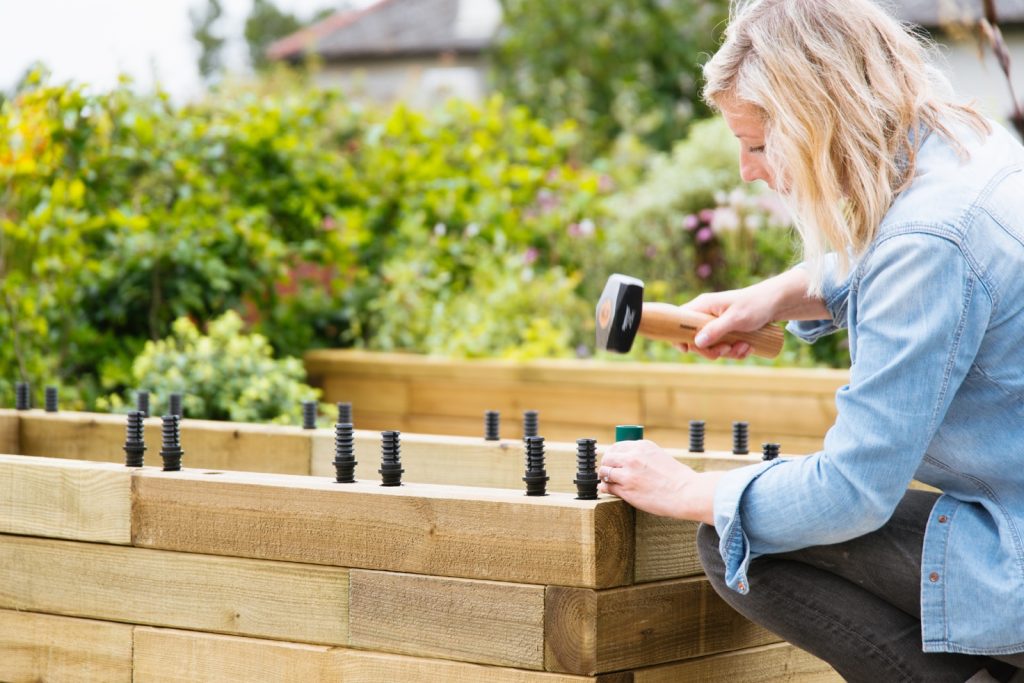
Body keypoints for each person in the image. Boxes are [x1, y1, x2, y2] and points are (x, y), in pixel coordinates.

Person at [596, 1, 1024, 681]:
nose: (746, 170)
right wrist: (783, 292)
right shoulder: (971, 140)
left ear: (820, 122)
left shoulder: (927, 246)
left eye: (760, 145)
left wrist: (688, 489)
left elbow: (851, 491)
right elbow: (924, 258)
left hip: (1016, 557)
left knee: (741, 539)